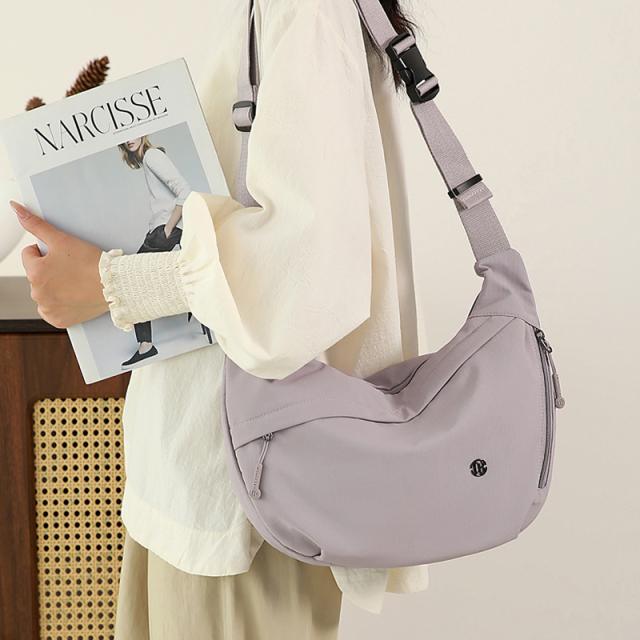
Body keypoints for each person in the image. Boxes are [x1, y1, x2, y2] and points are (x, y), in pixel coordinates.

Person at [12, 0, 433, 637]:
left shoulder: (304, 14)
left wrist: (111, 281)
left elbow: (307, 275)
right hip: (202, 477)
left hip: (240, 494)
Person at [116, 136, 193, 368]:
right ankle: (146, 343)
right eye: (124, 137)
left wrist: (169, 228)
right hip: (162, 229)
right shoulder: (149, 158)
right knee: (137, 280)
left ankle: (146, 345)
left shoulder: (152, 155)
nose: (129, 140)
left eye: (132, 133)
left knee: (129, 279)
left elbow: (185, 190)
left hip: (166, 229)